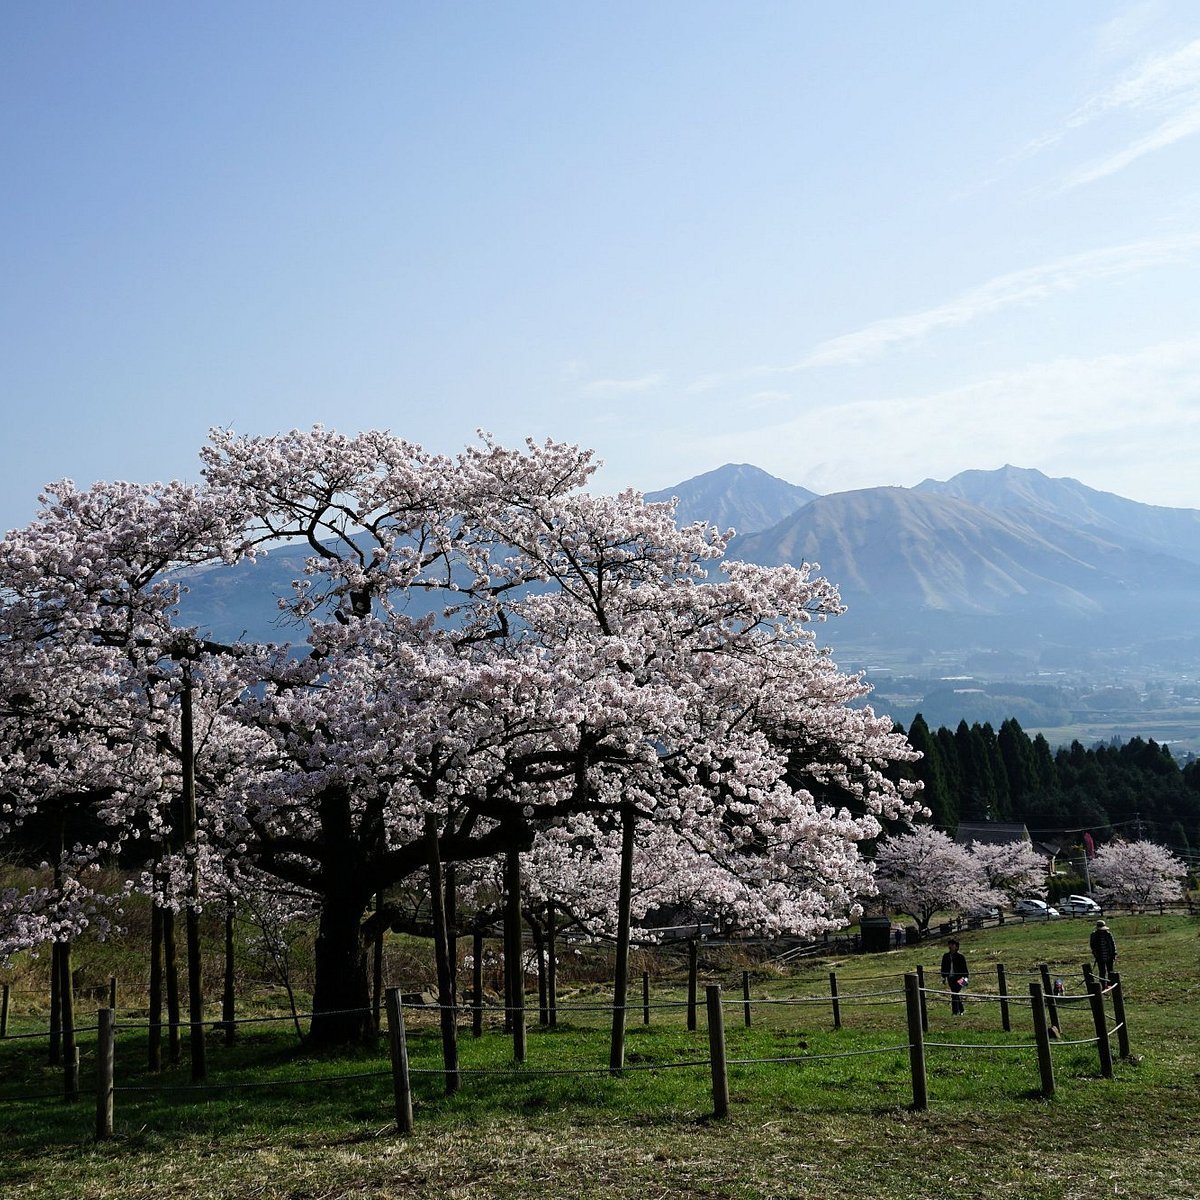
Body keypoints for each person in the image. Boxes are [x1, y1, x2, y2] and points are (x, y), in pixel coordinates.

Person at [940, 939, 969, 1016]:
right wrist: (944, 977)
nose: (950, 946)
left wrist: (965, 980)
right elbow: (943, 967)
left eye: (952, 945)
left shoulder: (960, 957)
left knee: (955, 993)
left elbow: (965, 970)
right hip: (951, 978)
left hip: (961, 978)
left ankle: (955, 1011)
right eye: (949, 944)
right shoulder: (946, 956)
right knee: (955, 994)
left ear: (956, 947)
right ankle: (961, 1010)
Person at [1090, 919, 1117, 983]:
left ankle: (1110, 983)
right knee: (1102, 971)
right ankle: (1103, 985)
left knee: (1110, 971)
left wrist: (1114, 953)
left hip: (1109, 955)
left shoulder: (1108, 934)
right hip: (1100, 956)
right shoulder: (1094, 935)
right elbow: (1092, 945)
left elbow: (1113, 944)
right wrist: (1095, 953)